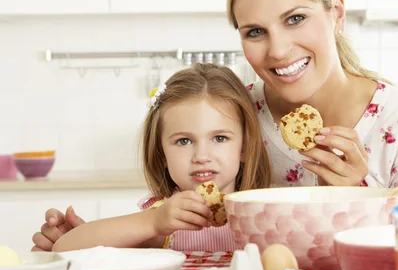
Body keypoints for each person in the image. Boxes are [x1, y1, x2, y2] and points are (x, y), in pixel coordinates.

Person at [32, 0, 398, 251]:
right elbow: (162, 221)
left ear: (335, 13)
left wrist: (362, 195)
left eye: (296, 18)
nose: (279, 50)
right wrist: (92, 240)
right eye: (255, 31)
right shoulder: (233, 112)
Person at [51, 63, 271, 252]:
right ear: (161, 154)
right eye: (184, 141)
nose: (202, 156)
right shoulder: (163, 217)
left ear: (244, 147)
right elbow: (63, 248)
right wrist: (153, 223)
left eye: (220, 138)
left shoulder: (265, 211)